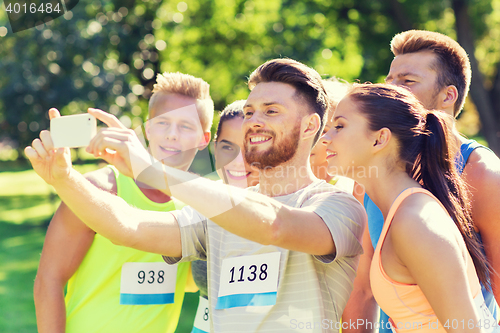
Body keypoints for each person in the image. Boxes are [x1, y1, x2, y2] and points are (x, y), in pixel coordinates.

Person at [26, 58, 367, 333]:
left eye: (271, 111)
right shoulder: (215, 214)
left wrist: (151, 171)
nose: (254, 121)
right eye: (249, 112)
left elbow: (274, 226)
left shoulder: (337, 207)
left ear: (309, 127)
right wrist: (65, 178)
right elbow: (128, 227)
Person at [343, 30, 500, 333]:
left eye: (407, 81)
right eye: (390, 81)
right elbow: (361, 291)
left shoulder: (482, 172)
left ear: (448, 96)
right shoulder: (370, 172)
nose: (392, 90)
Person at [33, 72, 214, 333]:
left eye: (186, 126)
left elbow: (191, 282)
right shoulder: (98, 188)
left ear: (203, 139)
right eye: (163, 123)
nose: (172, 135)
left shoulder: (198, 204)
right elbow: (48, 280)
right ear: (148, 129)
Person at [190, 99, 259, 333]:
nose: (239, 161)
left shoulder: (290, 212)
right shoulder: (203, 205)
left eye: (251, 147)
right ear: (215, 147)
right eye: (228, 147)